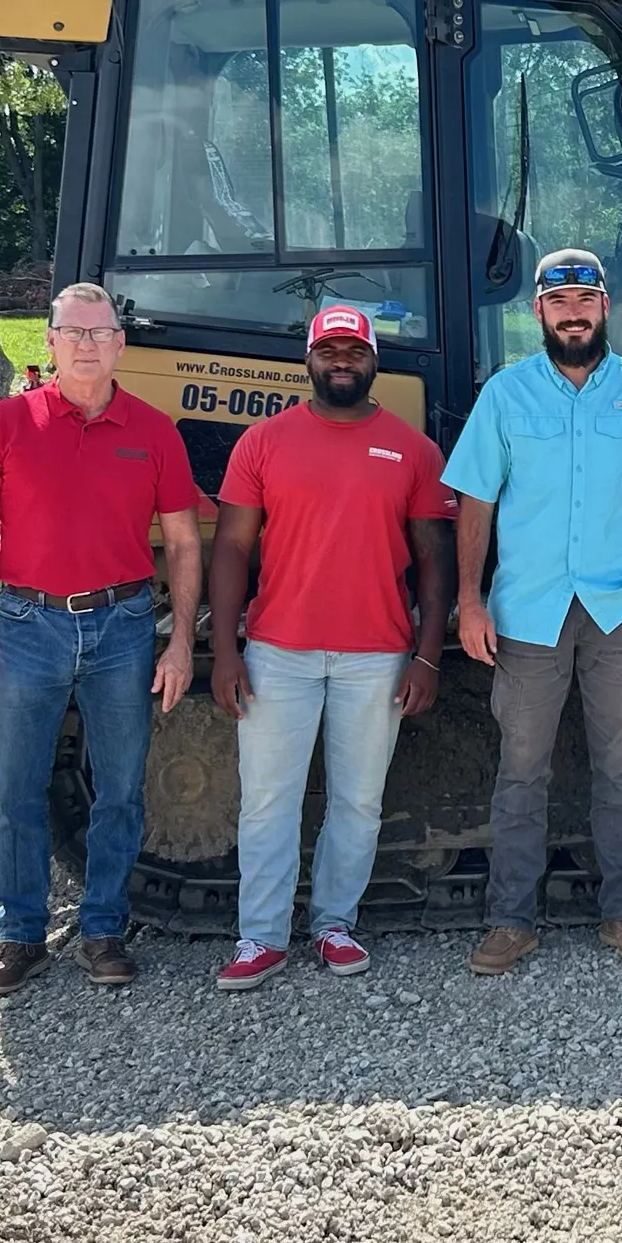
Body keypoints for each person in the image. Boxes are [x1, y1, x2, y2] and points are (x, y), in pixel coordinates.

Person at [443, 249, 622, 975]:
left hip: (619, 608)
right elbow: (476, 500)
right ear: (539, 312)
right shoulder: (506, 394)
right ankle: (510, 921)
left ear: (605, 306)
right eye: (560, 302)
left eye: (586, 299)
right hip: (528, 613)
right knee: (522, 769)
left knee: (618, 766)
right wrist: (470, 599)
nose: (575, 313)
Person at [0, 282, 203, 995]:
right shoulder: (6, 423)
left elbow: (183, 544)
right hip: (28, 626)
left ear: (122, 344)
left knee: (120, 790)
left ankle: (103, 929)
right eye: (73, 331)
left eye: (100, 331)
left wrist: (181, 640)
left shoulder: (153, 432)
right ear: (51, 342)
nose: (87, 343)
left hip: (122, 627)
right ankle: (20, 937)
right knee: (16, 790)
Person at [206, 306, 457, 990]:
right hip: (276, 653)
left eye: (354, 350)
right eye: (329, 350)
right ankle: (260, 937)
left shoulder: (413, 451)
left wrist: (428, 655)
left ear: (374, 360)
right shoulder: (263, 444)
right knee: (267, 800)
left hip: (376, 654)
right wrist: (226, 651)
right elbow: (231, 547)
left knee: (358, 801)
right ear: (309, 359)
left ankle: (334, 924)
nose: (341, 360)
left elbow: (436, 565)